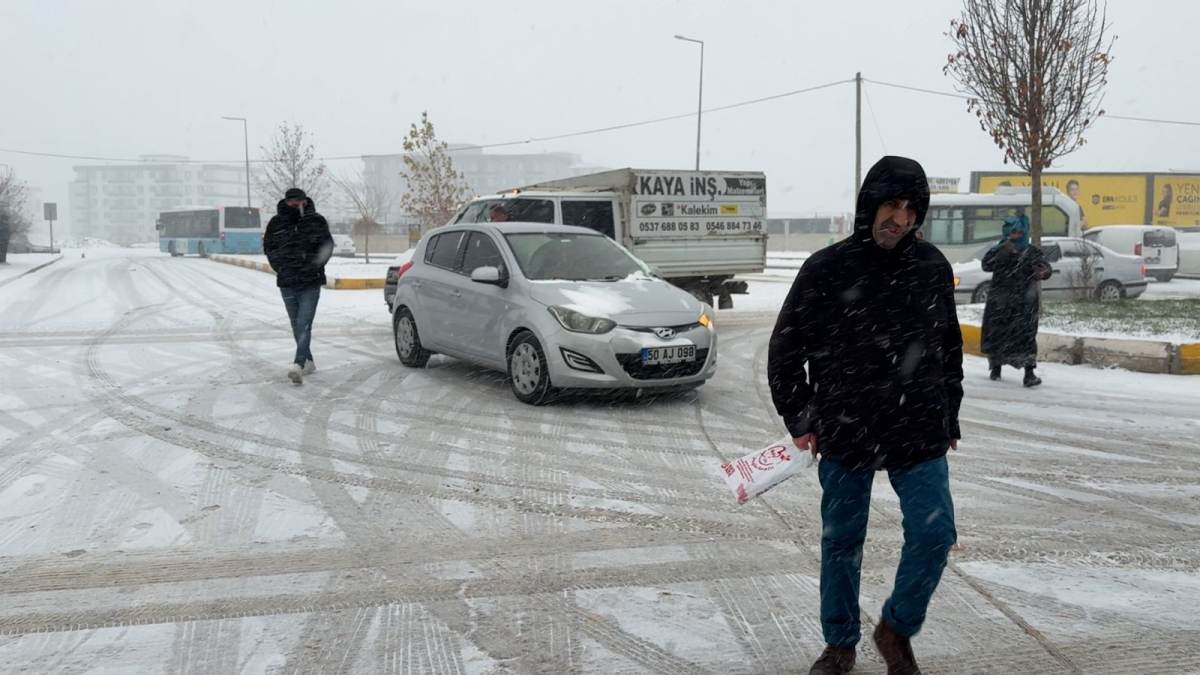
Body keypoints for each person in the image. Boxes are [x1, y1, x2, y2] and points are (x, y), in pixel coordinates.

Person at [769, 156, 964, 675]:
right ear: (869, 204)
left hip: (919, 426)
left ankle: (895, 629)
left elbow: (949, 349)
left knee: (935, 534)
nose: (899, 219)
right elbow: (786, 351)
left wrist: (950, 416)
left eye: (910, 209)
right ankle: (839, 645)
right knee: (841, 541)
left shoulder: (932, 267)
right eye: (891, 205)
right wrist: (803, 415)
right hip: (847, 427)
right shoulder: (827, 269)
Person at [263, 187, 334, 384]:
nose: (297, 206)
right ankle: (309, 361)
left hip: (311, 282)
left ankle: (298, 364)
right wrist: (281, 267)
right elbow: (269, 247)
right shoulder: (277, 223)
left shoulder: (316, 221)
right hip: (287, 282)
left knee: (304, 323)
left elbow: (327, 246)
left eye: (300, 202)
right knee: (296, 324)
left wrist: (314, 266)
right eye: (293, 203)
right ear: (286, 202)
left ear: (305, 201)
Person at [980, 208, 1053, 387]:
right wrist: (1002, 253)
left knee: (1026, 337)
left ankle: (1029, 373)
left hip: (1024, 304)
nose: (1015, 235)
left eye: (1019, 232)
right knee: (998, 334)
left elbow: (1045, 268)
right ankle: (996, 367)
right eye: (1012, 232)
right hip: (1001, 302)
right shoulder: (999, 249)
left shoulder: (1031, 251)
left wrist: (1043, 272)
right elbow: (986, 265)